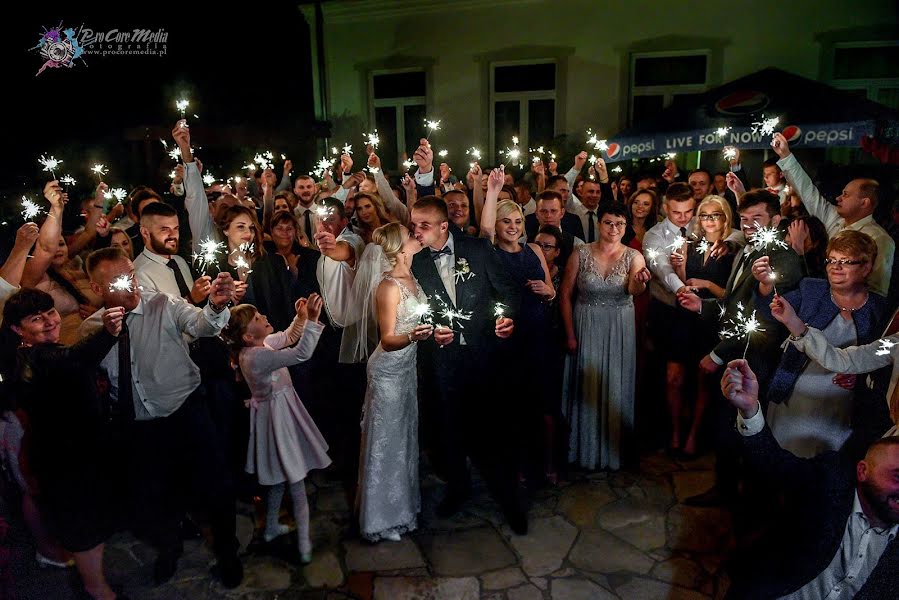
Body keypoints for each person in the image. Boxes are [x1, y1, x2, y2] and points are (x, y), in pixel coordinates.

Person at [79, 248, 243, 588]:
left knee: (215, 487)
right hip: (140, 428)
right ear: (97, 289)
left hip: (187, 414)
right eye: (120, 280)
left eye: (133, 275)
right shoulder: (91, 329)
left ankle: (228, 552)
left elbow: (201, 325)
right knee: (157, 496)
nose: (132, 285)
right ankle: (170, 549)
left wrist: (215, 305)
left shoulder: (164, 304)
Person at [720, 359, 899, 599]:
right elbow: (775, 465)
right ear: (862, 471)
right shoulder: (831, 481)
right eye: (897, 477)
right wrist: (750, 409)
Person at [409, 196, 524, 532]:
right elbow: (416, 308)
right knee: (449, 430)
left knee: (495, 432)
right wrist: (432, 331)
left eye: (424, 225)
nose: (416, 231)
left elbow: (508, 293)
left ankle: (509, 500)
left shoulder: (477, 249)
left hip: (485, 356)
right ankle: (458, 487)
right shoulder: (414, 260)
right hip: (443, 360)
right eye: (414, 225)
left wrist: (507, 320)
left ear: (445, 226)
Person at [3, 288, 125, 600]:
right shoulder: (36, 358)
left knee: (89, 522)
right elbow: (73, 360)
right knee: (83, 527)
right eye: (35, 318)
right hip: (66, 461)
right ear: (18, 329)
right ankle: (98, 592)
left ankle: (94, 583)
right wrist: (108, 332)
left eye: (50, 312)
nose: (48, 321)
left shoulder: (38, 353)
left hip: (74, 455)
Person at [222, 294, 328, 563]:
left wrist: (301, 317)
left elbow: (288, 336)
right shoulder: (256, 357)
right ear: (247, 336)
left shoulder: (260, 345)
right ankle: (304, 545)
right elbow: (301, 352)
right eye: (258, 319)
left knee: (280, 479)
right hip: (277, 419)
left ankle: (270, 528)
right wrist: (313, 321)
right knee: (295, 480)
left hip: (279, 413)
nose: (265, 318)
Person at [351, 222, 433, 541]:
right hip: (387, 371)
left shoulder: (411, 277)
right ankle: (378, 520)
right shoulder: (388, 287)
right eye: (411, 235)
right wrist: (414, 334)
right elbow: (387, 339)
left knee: (403, 437)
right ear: (400, 249)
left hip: (407, 368)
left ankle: (401, 509)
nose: (417, 236)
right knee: (386, 440)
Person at [480, 167, 557, 483]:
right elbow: (483, 230)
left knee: (542, 402)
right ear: (497, 226)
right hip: (509, 337)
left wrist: (547, 290)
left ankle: (546, 463)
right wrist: (494, 191)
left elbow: (551, 290)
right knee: (512, 404)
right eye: (505, 222)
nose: (512, 227)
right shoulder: (491, 253)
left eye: (517, 221)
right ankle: (516, 466)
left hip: (539, 333)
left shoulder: (535, 249)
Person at [561, 201, 651, 470]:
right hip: (585, 322)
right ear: (599, 224)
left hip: (618, 327)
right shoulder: (580, 253)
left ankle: (612, 452)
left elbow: (634, 291)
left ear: (626, 227)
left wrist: (639, 282)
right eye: (609, 222)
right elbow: (565, 295)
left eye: (620, 224)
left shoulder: (634, 256)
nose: (614, 228)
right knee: (587, 384)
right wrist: (570, 334)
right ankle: (583, 450)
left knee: (613, 384)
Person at [772, 132, 894, 296]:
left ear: (864, 202)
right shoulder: (834, 218)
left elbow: (876, 291)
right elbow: (808, 193)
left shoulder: (880, 238)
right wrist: (785, 155)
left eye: (846, 194)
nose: (838, 198)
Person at [667, 195, 737, 457]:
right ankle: (674, 433)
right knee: (673, 377)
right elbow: (686, 283)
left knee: (702, 380)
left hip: (711, 319)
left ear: (725, 217)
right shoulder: (690, 245)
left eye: (715, 215)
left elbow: (731, 295)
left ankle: (693, 437)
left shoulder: (732, 248)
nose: (709, 220)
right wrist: (680, 268)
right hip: (684, 317)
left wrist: (707, 285)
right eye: (704, 215)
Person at [22, 181, 101, 345]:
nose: (57, 249)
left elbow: (89, 233)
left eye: (61, 243)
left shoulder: (72, 266)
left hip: (95, 339)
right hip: (66, 350)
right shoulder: (34, 277)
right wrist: (56, 209)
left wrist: (100, 200)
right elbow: (46, 249)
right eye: (53, 244)